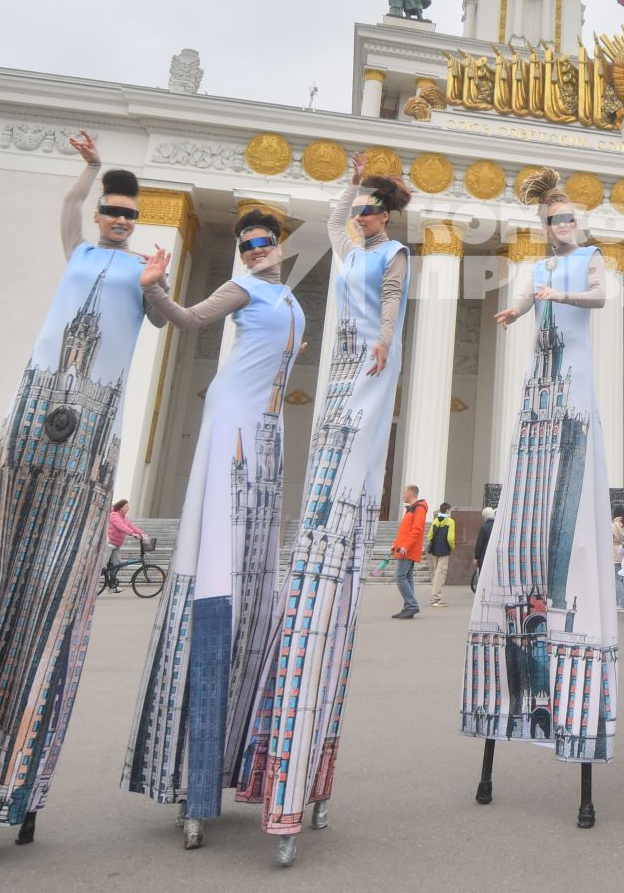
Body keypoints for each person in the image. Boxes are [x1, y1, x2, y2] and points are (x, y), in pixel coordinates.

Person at [0, 132, 164, 857]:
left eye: (124, 212)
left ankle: (19, 784)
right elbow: (68, 206)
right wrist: (85, 167)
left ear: (137, 221)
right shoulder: (78, 252)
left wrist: (158, 284)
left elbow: (168, 319)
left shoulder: (142, 269)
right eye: (110, 208)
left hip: (87, 445)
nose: (114, 217)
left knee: (52, 604)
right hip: (26, 434)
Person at [235, 152, 412, 866]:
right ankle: (323, 516)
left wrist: (385, 344)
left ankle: (343, 517)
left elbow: (394, 306)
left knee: (351, 447)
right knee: (328, 440)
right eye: (362, 208)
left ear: (389, 217)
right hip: (337, 360)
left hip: (370, 358)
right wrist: (348, 183)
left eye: (373, 207)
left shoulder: (395, 255)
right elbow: (332, 219)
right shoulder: (346, 244)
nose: (363, 216)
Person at [122, 208, 304, 848]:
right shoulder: (244, 287)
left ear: (280, 244)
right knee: (220, 558)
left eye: (264, 241)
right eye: (247, 243)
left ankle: (246, 761)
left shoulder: (286, 292)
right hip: (233, 421)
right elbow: (194, 320)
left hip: (268, 428)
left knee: (258, 569)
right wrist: (154, 290)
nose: (256, 250)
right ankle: (194, 775)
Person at [463, 167, 620, 823]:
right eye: (552, 220)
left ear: (577, 222)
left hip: (575, 398)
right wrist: (516, 306)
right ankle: (503, 719)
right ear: (542, 225)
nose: (561, 227)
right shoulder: (534, 268)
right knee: (522, 513)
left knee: (571, 528)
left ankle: (578, 741)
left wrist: (552, 287)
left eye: (567, 218)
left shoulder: (590, 262)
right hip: (539, 395)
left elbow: (599, 301)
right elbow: (529, 302)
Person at [392, 486, 427, 619]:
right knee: (407, 577)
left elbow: (417, 530)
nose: (402, 495)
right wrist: (396, 545)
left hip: (407, 550)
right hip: (405, 548)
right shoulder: (412, 509)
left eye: (404, 493)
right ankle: (409, 607)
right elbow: (405, 531)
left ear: (410, 494)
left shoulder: (419, 508)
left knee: (400, 577)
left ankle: (412, 606)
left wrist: (405, 546)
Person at [425, 502, 457, 608]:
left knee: (436, 573)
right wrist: (452, 547)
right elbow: (450, 538)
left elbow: (429, 536)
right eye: (450, 510)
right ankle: (436, 599)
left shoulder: (435, 521)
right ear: (447, 510)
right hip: (444, 550)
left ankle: (435, 597)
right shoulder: (450, 521)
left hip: (434, 550)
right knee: (441, 573)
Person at [471, 506, 495, 592]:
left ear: (484, 517)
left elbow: (479, 544)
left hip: (484, 557)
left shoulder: (484, 528)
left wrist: (476, 557)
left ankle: (483, 591)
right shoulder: (498, 526)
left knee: (484, 575)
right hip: (495, 556)